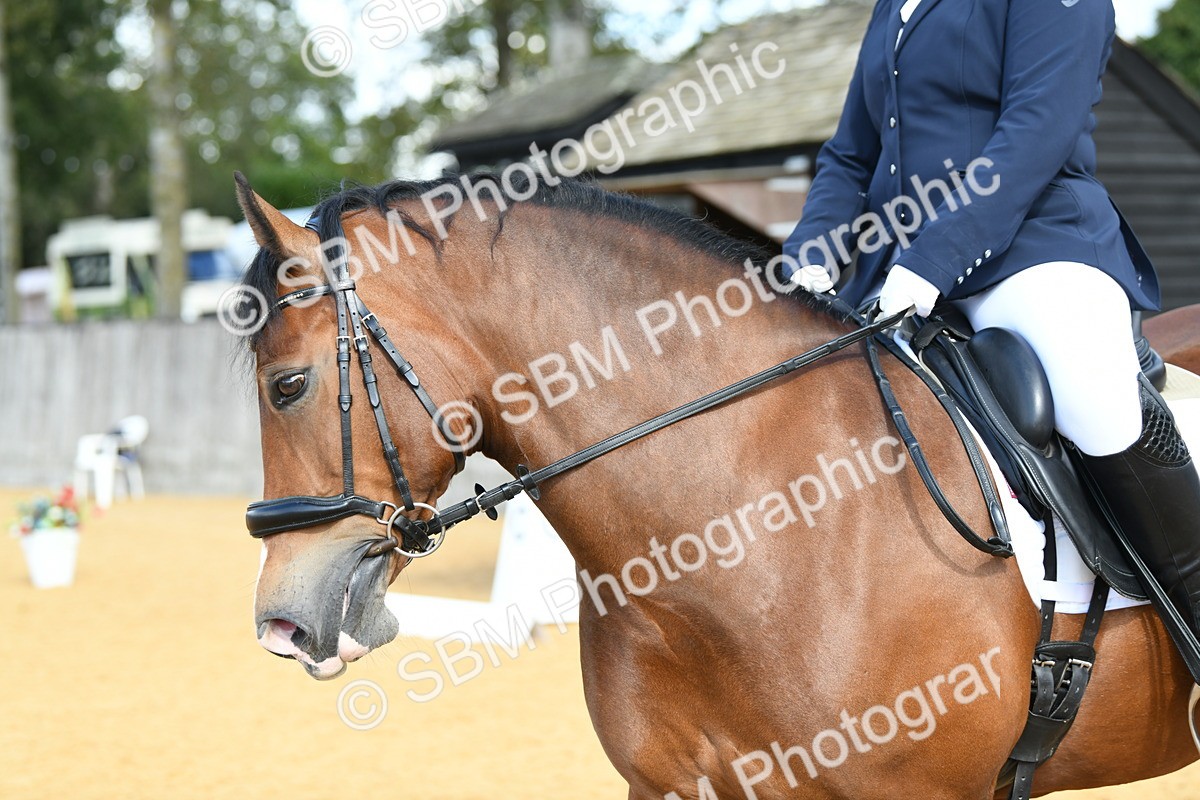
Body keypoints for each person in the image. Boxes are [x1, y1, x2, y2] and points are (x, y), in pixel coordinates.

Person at [783, 0, 1200, 657]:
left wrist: (933, 262)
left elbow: (1035, 132)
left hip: (1031, 250)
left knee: (1097, 406)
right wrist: (810, 252)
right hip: (893, 274)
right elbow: (851, 153)